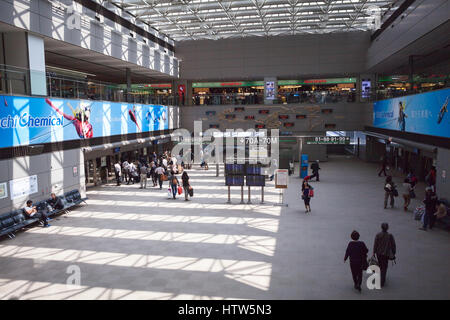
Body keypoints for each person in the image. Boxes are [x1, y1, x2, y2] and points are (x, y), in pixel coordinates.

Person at [373, 223, 396, 287]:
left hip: (378, 253)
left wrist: (373, 252)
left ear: (381, 227)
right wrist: (393, 253)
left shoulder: (378, 235)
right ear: (387, 228)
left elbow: (375, 244)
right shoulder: (390, 236)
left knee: (379, 265)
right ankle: (382, 282)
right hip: (386, 254)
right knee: (384, 268)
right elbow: (393, 245)